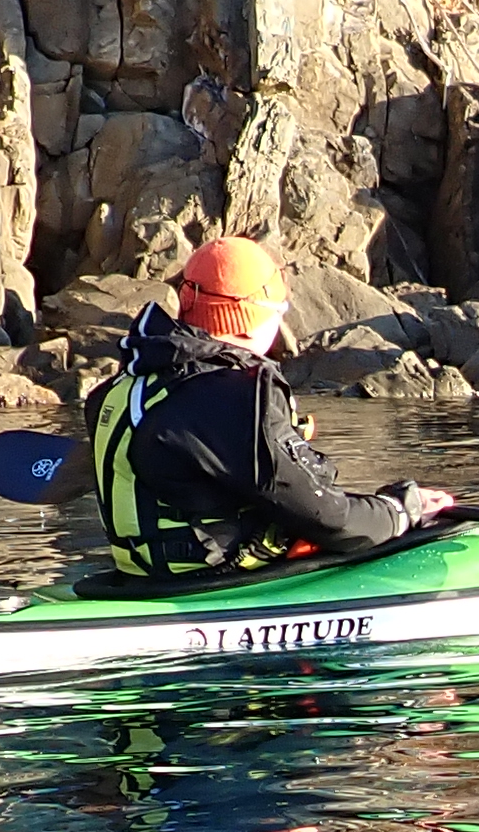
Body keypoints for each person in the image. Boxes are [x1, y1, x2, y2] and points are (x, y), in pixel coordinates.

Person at [87, 234, 455, 586]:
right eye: (281, 311)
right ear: (253, 315)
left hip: (143, 576)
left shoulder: (121, 387)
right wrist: (399, 510)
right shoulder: (234, 394)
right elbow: (327, 517)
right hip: (213, 582)